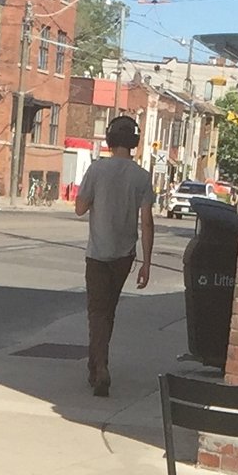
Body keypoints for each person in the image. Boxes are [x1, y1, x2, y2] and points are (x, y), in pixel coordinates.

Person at [73, 114, 156, 397]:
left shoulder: (96, 170)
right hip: (125, 256)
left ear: (109, 140)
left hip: (97, 253)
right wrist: (146, 262)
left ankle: (100, 367)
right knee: (108, 311)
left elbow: (80, 209)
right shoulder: (142, 177)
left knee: (96, 312)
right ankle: (95, 364)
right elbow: (147, 222)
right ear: (134, 142)